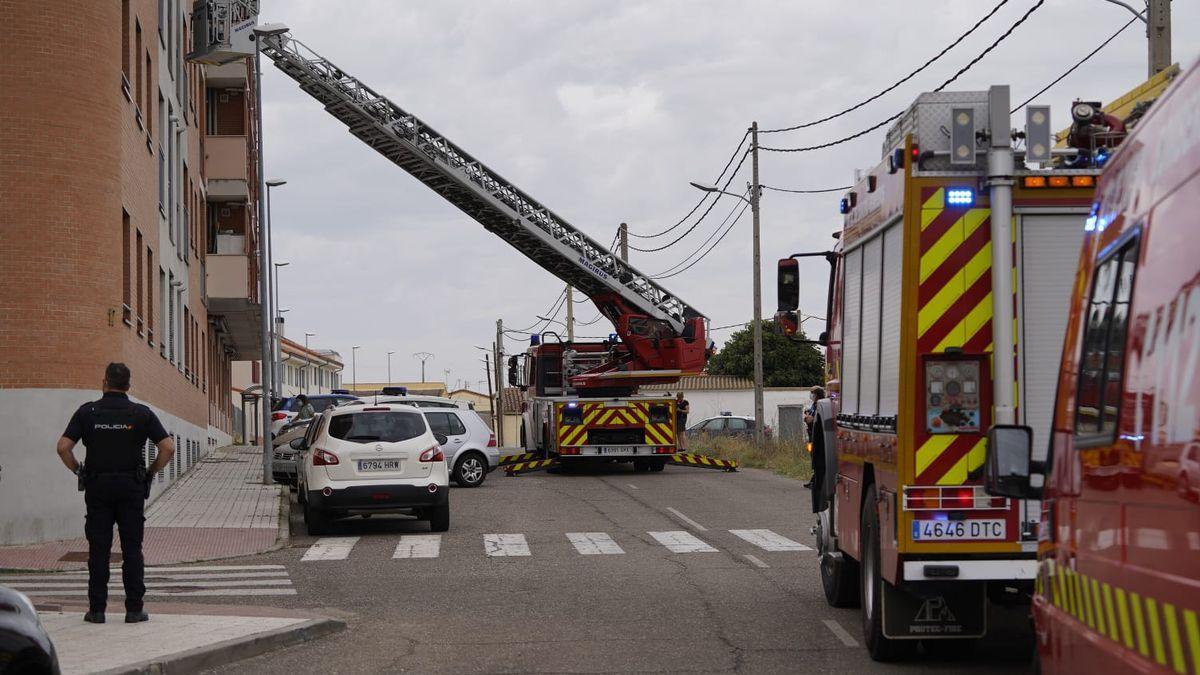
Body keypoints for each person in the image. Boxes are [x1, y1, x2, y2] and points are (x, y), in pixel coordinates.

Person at [56, 363, 174, 624]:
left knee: (98, 549)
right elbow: (168, 447)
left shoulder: (88, 412)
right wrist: (151, 471)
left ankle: (97, 610)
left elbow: (63, 447)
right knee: (132, 548)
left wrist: (79, 471)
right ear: (128, 386)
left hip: (98, 488)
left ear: (104, 382)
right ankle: (134, 609)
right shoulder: (140, 414)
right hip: (131, 488)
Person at [803, 387, 826, 490]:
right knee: (813, 457)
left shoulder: (820, 405)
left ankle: (816, 480)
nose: (811, 395)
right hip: (811, 436)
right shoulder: (814, 405)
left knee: (816, 458)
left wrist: (808, 417)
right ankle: (814, 479)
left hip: (816, 437)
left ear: (817, 394)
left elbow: (811, 419)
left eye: (812, 393)